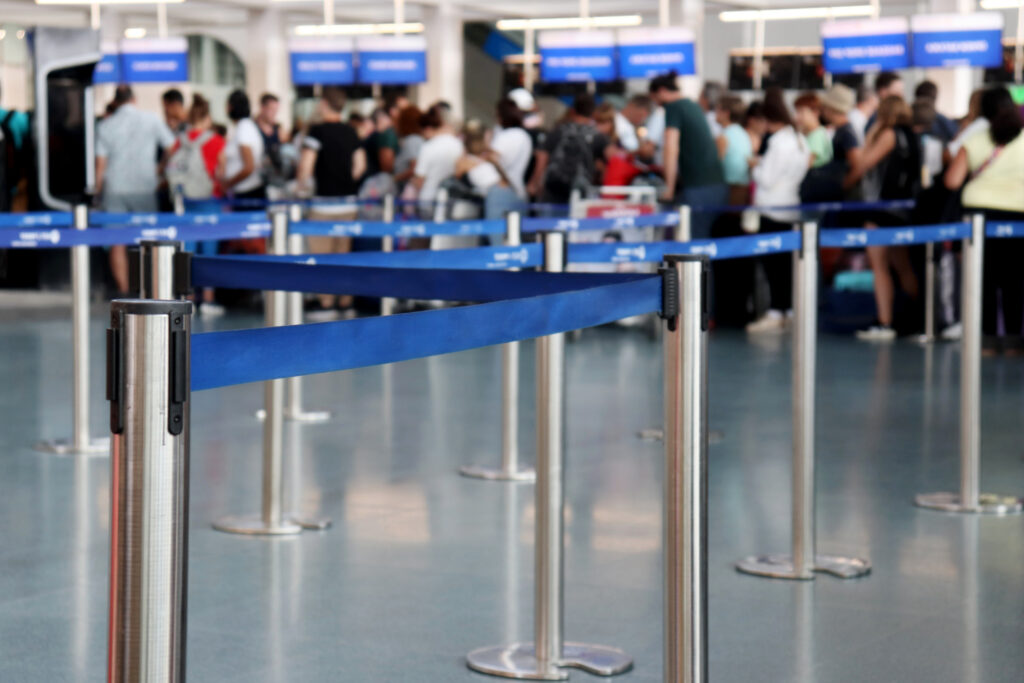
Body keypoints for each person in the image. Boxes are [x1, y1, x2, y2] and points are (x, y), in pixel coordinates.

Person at [945, 86, 1024, 355]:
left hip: (980, 215)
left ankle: (988, 342)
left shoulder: (976, 139)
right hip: (1017, 214)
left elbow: (952, 180)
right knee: (1014, 280)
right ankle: (1015, 342)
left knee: (985, 280)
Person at [846, 96, 922, 341]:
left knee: (879, 266)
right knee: (903, 265)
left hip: (881, 208)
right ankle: (917, 318)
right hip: (904, 208)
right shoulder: (912, 136)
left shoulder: (888, 135)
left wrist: (871, 135)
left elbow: (864, 163)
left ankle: (884, 321)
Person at [95, 85, 175, 293]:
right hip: (145, 185)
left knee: (117, 241)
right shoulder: (151, 120)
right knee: (148, 239)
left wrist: (97, 191)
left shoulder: (105, 125)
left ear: (116, 102)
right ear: (134, 99)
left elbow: (100, 164)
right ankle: (147, 288)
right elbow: (172, 147)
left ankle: (124, 290)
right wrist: (160, 170)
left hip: (115, 187)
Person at [296, 86, 365, 318]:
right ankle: (345, 302)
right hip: (348, 203)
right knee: (343, 255)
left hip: (323, 203)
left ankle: (326, 303)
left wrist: (301, 186)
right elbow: (360, 166)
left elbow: (306, 166)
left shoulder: (317, 132)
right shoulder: (351, 132)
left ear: (323, 104)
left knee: (322, 255)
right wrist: (346, 181)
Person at [746, 97, 809, 333]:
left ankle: (776, 310)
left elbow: (767, 178)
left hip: (772, 208)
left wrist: (755, 166)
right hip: (791, 206)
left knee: (773, 264)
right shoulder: (798, 139)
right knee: (786, 264)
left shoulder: (778, 143)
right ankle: (788, 310)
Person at [165, 94, 227, 313]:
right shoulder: (217, 141)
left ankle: (187, 296)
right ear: (208, 117)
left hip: (186, 201)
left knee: (188, 248)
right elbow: (221, 173)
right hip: (210, 200)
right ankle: (208, 299)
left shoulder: (180, 140)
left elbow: (170, 167)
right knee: (209, 249)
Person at [650, 72, 726, 238]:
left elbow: (670, 147)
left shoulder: (674, 107)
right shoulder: (692, 105)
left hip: (698, 188)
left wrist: (669, 189)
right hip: (716, 186)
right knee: (704, 244)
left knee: (692, 246)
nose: (656, 104)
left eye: (654, 98)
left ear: (662, 91)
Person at [528, 94, 607, 206]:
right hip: (581, 187)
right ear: (593, 112)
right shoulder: (597, 135)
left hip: (554, 186)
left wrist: (535, 182)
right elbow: (611, 158)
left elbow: (542, 157)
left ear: (573, 110)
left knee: (550, 222)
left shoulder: (559, 130)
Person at [455, 124, 526, 221]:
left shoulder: (471, 162)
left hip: (498, 197)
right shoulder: (481, 161)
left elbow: (458, 175)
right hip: (505, 196)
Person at [412, 104, 463, 216]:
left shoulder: (428, 146)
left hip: (428, 200)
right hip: (451, 200)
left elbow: (419, 179)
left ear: (428, 128)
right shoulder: (458, 144)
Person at [221, 90, 266, 201]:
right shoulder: (244, 127)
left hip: (247, 193)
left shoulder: (244, 129)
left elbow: (249, 167)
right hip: (244, 191)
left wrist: (228, 184)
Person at [490, 97, 533, 201]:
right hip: (519, 191)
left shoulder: (505, 136)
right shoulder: (524, 135)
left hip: (503, 192)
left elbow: (492, 158)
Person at [714, 95, 753, 205]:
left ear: (726, 113)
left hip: (730, 190)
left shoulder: (724, 136)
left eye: (718, 109)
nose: (715, 112)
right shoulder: (743, 133)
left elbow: (715, 165)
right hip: (742, 189)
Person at [794, 92, 832, 168]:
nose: (796, 117)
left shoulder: (817, 135)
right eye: (796, 112)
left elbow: (806, 165)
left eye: (801, 112)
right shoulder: (816, 132)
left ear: (815, 112)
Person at [255, 93, 286, 185]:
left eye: (276, 110)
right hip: (258, 178)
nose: (274, 114)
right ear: (262, 108)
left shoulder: (278, 129)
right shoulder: (253, 129)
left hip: (275, 177)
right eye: (271, 110)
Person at [394, 105, 424, 186]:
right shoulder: (418, 139)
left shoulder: (412, 140)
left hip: (407, 188)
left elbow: (414, 168)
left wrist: (394, 178)